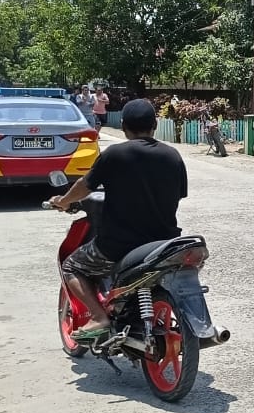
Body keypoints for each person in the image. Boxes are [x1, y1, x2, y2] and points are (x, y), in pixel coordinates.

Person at [48, 99, 188, 339]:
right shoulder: (172, 155)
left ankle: (99, 316)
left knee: (72, 265)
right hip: (163, 242)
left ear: (123, 127)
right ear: (155, 125)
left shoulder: (115, 154)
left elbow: (85, 186)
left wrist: (64, 201)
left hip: (119, 245)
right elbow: (179, 194)